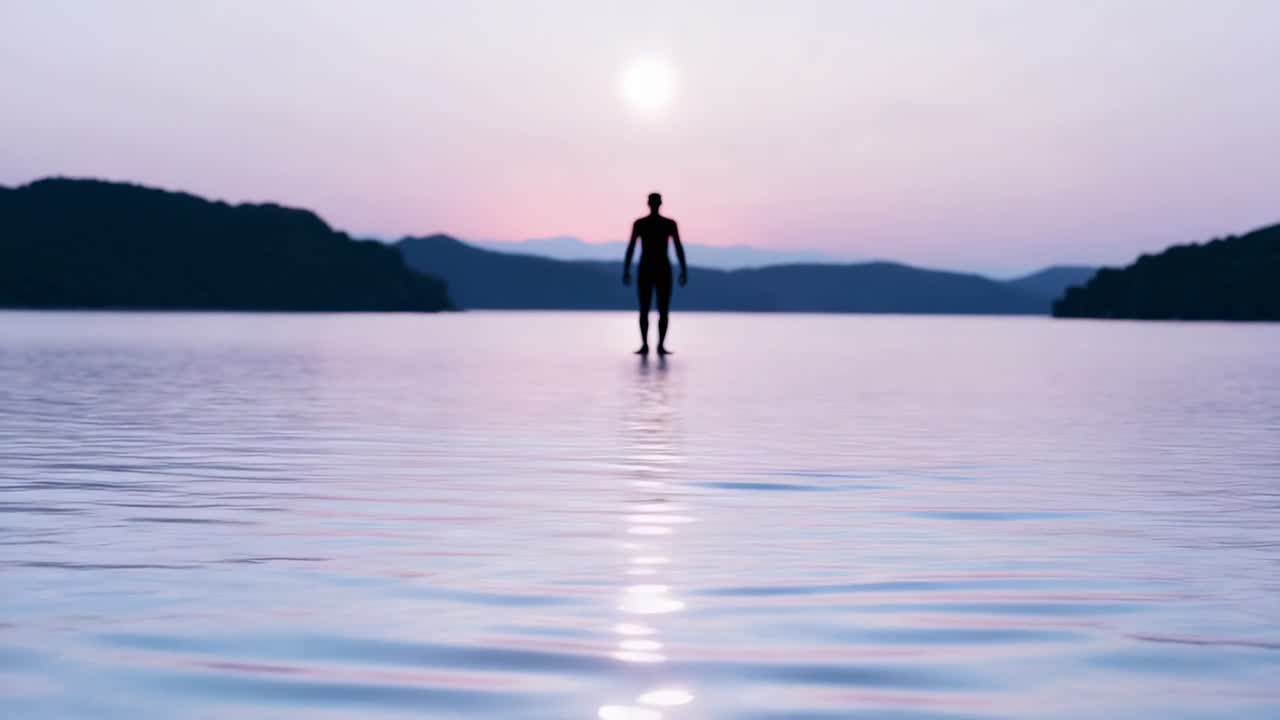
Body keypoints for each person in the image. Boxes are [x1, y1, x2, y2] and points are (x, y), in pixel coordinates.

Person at [623, 193, 687, 355]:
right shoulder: (641, 224)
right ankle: (647, 345)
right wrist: (626, 269)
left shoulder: (668, 224)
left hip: (660, 268)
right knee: (646, 308)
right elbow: (631, 247)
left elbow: (678, 247)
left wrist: (683, 269)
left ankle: (659, 345)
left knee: (662, 309)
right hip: (648, 268)